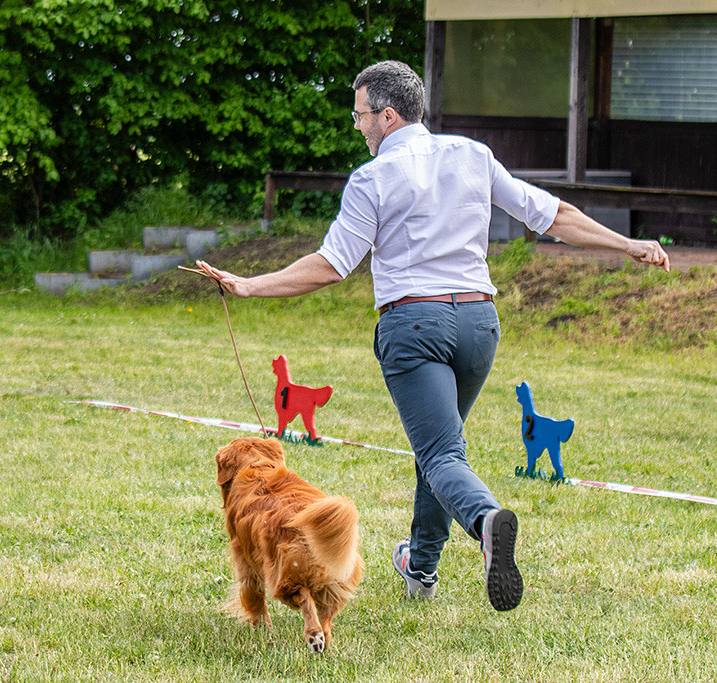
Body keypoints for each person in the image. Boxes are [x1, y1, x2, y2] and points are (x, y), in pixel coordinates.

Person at [196, 60, 669, 612]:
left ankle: (486, 520)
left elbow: (331, 265)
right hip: (478, 325)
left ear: (387, 115)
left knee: (442, 453)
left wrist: (250, 286)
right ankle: (420, 568)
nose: (356, 126)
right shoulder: (472, 154)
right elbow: (552, 215)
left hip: (414, 326)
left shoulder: (371, 179)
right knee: (437, 449)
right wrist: (627, 244)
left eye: (360, 115)